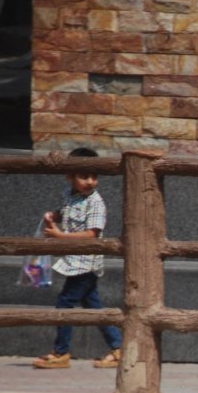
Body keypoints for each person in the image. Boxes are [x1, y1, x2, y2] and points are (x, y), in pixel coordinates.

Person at [32, 147, 121, 369]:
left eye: (94, 177)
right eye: (84, 177)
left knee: (65, 302)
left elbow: (93, 233)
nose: (90, 182)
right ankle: (119, 348)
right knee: (94, 307)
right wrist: (54, 215)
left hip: (86, 261)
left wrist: (61, 236)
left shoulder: (96, 202)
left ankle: (61, 352)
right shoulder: (68, 195)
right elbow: (66, 211)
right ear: (70, 176)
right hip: (74, 260)